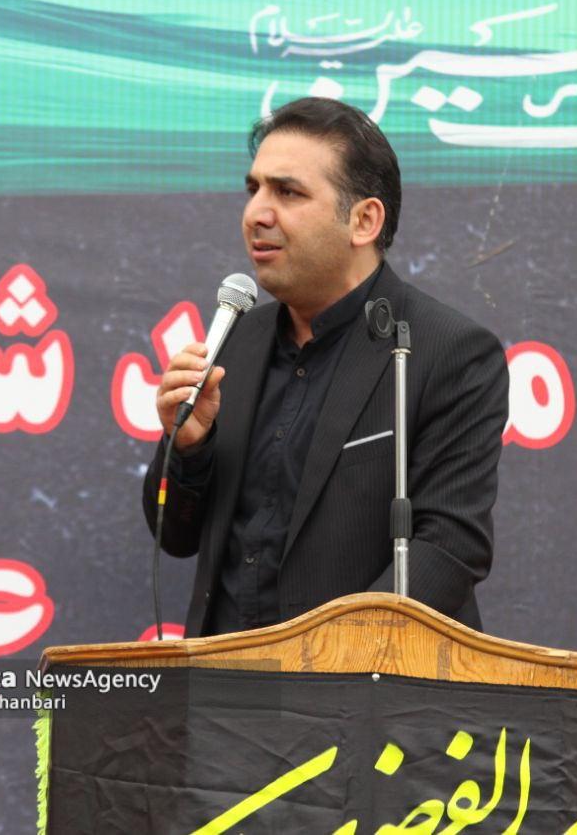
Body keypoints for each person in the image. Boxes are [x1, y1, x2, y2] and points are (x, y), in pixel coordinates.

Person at [142, 97, 509, 637]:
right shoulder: (235, 342)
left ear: (364, 220)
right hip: (221, 677)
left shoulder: (445, 351)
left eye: (287, 192)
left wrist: (330, 658)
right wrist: (189, 449)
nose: (257, 214)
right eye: (253, 189)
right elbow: (175, 536)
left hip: (362, 682)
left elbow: (450, 549)